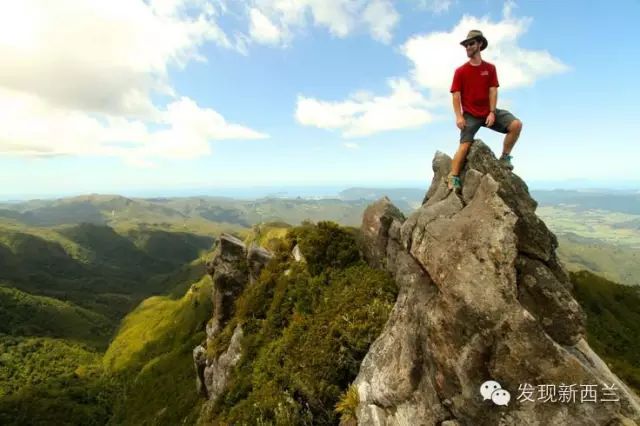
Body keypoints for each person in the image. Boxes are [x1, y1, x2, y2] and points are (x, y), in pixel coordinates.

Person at [448, 30, 523, 192]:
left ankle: (505, 158)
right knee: (464, 146)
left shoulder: (490, 68)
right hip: (470, 114)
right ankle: (453, 176)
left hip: (488, 111)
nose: (467, 47)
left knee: (516, 125)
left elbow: (493, 91)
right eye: (466, 45)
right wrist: (459, 116)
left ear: (480, 44)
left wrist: (492, 112)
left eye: (471, 44)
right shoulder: (460, 71)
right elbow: (456, 96)